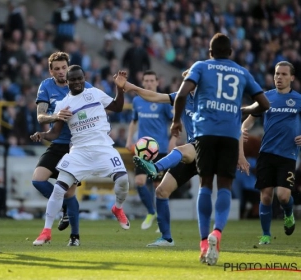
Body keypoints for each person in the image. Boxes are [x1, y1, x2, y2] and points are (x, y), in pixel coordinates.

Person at [115, 70, 250, 249]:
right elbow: (153, 96)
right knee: (161, 191)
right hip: (192, 152)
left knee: (185, 153)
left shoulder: (212, 100)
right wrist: (129, 86)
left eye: (192, 80)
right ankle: (166, 238)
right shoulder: (181, 97)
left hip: (208, 150)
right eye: (187, 80)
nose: (188, 83)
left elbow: (236, 125)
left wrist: (240, 155)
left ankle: (155, 167)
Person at [170, 33, 270, 265]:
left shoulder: (201, 66)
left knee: (206, 184)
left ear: (210, 52)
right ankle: (218, 233)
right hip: (229, 134)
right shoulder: (242, 72)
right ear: (231, 53)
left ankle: (204, 242)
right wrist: (243, 109)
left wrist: (176, 121)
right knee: (225, 185)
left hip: (205, 133)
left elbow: (183, 93)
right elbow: (264, 104)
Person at [31, 66, 129, 246]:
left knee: (123, 180)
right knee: (60, 189)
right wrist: (42, 135)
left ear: (85, 78)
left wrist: (120, 88)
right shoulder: (63, 105)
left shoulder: (95, 93)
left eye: (79, 78)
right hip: (79, 151)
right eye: (73, 80)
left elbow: (118, 106)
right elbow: (55, 134)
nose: (76, 82)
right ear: (67, 82)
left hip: (103, 148)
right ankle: (46, 231)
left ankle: (118, 208)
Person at [33, 52, 92, 246]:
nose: (61, 72)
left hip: (76, 146)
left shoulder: (80, 85)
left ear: (69, 67)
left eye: (63, 68)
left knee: (69, 193)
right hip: (57, 142)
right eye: (56, 69)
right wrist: (56, 116)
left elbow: (100, 107)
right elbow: (41, 117)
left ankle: (74, 237)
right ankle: (64, 209)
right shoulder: (46, 86)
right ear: (51, 71)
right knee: (38, 180)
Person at [241, 61, 300, 245]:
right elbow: (249, 121)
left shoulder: (298, 99)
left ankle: (288, 213)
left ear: (291, 77)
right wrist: (243, 129)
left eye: (283, 74)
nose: (279, 77)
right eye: (276, 74)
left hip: (288, 155)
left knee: (283, 196)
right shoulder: (266, 98)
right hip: (266, 153)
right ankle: (266, 235)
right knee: (265, 196)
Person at [125, 70, 175, 230]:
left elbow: (175, 123)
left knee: (159, 187)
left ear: (157, 82)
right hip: (142, 150)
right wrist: (128, 139)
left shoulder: (163, 101)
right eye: (145, 80)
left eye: (151, 80)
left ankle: (162, 222)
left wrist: (173, 141)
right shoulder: (137, 101)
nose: (148, 83)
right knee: (139, 182)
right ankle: (151, 212)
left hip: (159, 149)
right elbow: (134, 121)